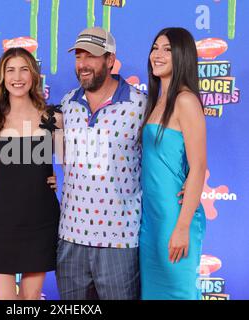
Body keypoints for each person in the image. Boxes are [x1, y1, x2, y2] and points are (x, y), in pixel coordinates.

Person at [56, 26, 147, 300]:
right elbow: (63, 159)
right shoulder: (68, 104)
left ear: (110, 60)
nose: (82, 64)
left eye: (91, 56)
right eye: (78, 56)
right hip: (70, 237)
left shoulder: (139, 104)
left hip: (119, 240)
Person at [0, 47, 61, 300]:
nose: (17, 76)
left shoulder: (53, 118)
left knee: (30, 301)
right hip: (0, 222)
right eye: (10, 70)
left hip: (40, 220)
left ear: (34, 75)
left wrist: (57, 180)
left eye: (24, 69)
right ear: (2, 76)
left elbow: (70, 163)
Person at [139, 27, 207, 300]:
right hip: (150, 220)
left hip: (175, 218)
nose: (158, 54)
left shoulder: (186, 100)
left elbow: (199, 166)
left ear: (182, 55)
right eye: (155, 47)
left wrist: (181, 227)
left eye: (167, 49)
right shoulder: (156, 101)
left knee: (178, 293)